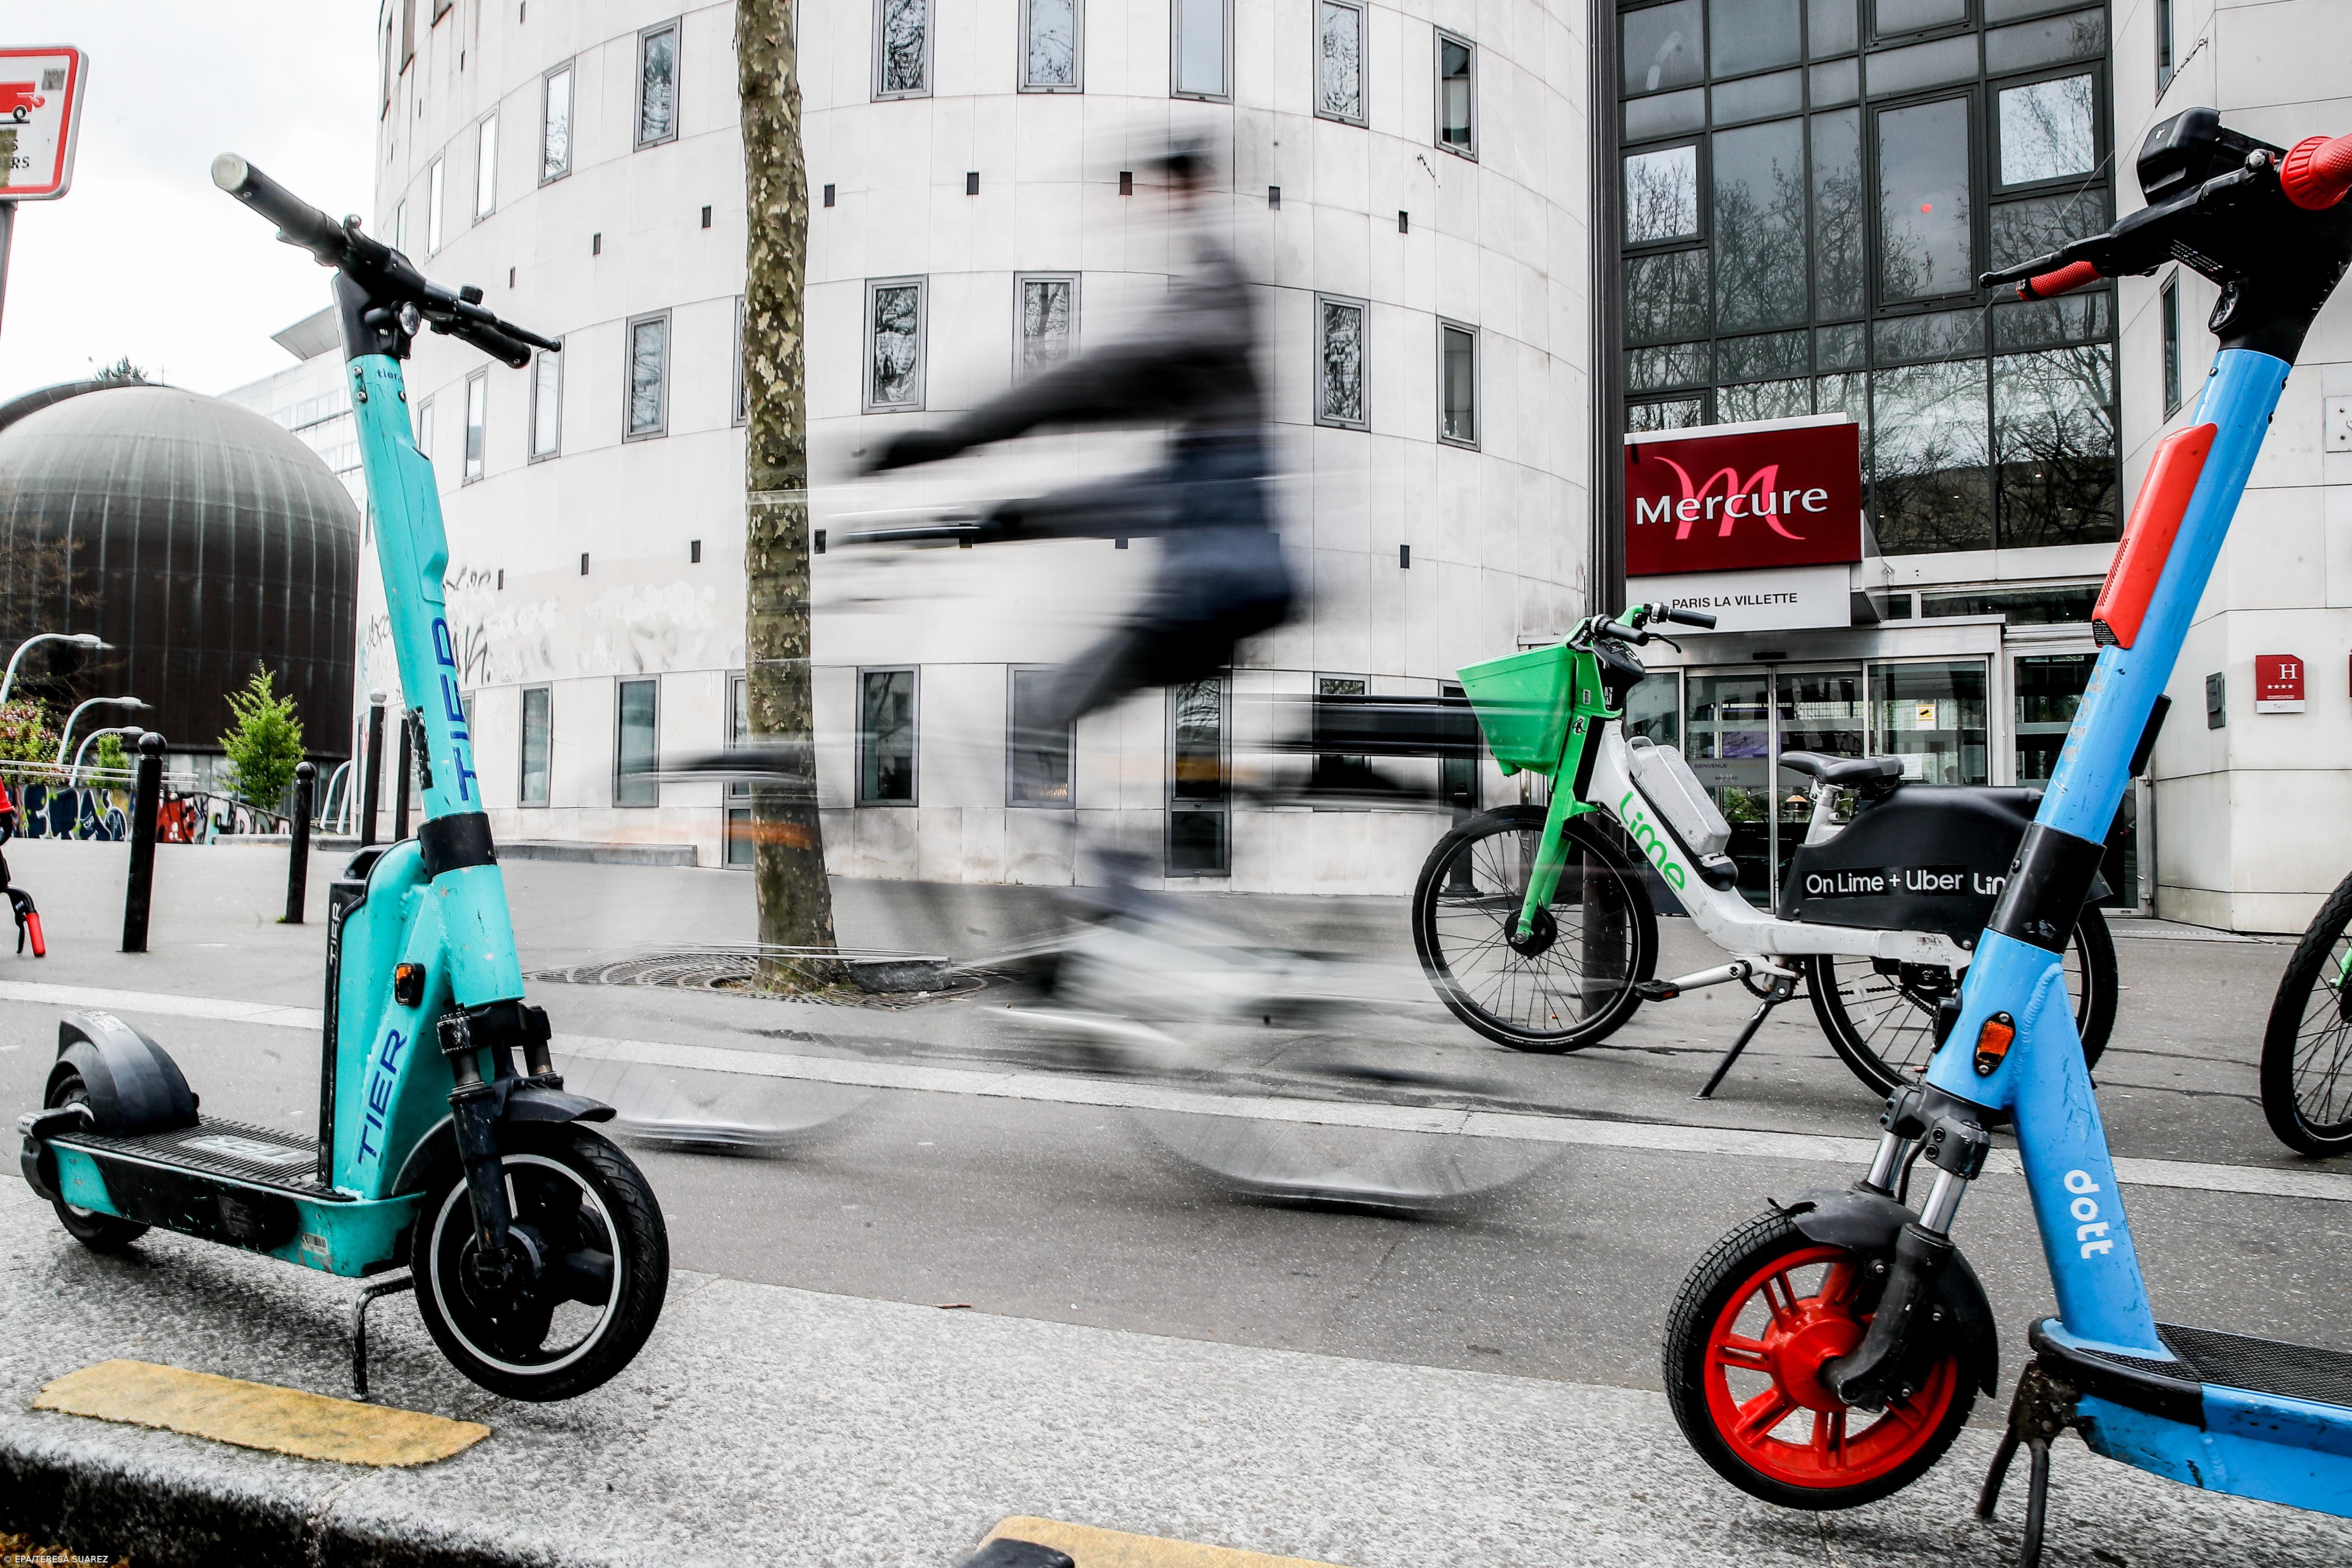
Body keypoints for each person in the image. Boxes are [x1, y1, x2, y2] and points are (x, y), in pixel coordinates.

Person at [859, 141, 1293, 742]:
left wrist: (957, 441)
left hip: (1209, 593)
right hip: (1214, 590)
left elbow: (1101, 384)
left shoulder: (1211, 300)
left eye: (1159, 188)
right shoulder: (1214, 395)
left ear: (1189, 187)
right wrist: (1006, 517)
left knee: (1035, 714)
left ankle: (1141, 841)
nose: (1145, 207)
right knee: (1049, 705)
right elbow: (1146, 479)